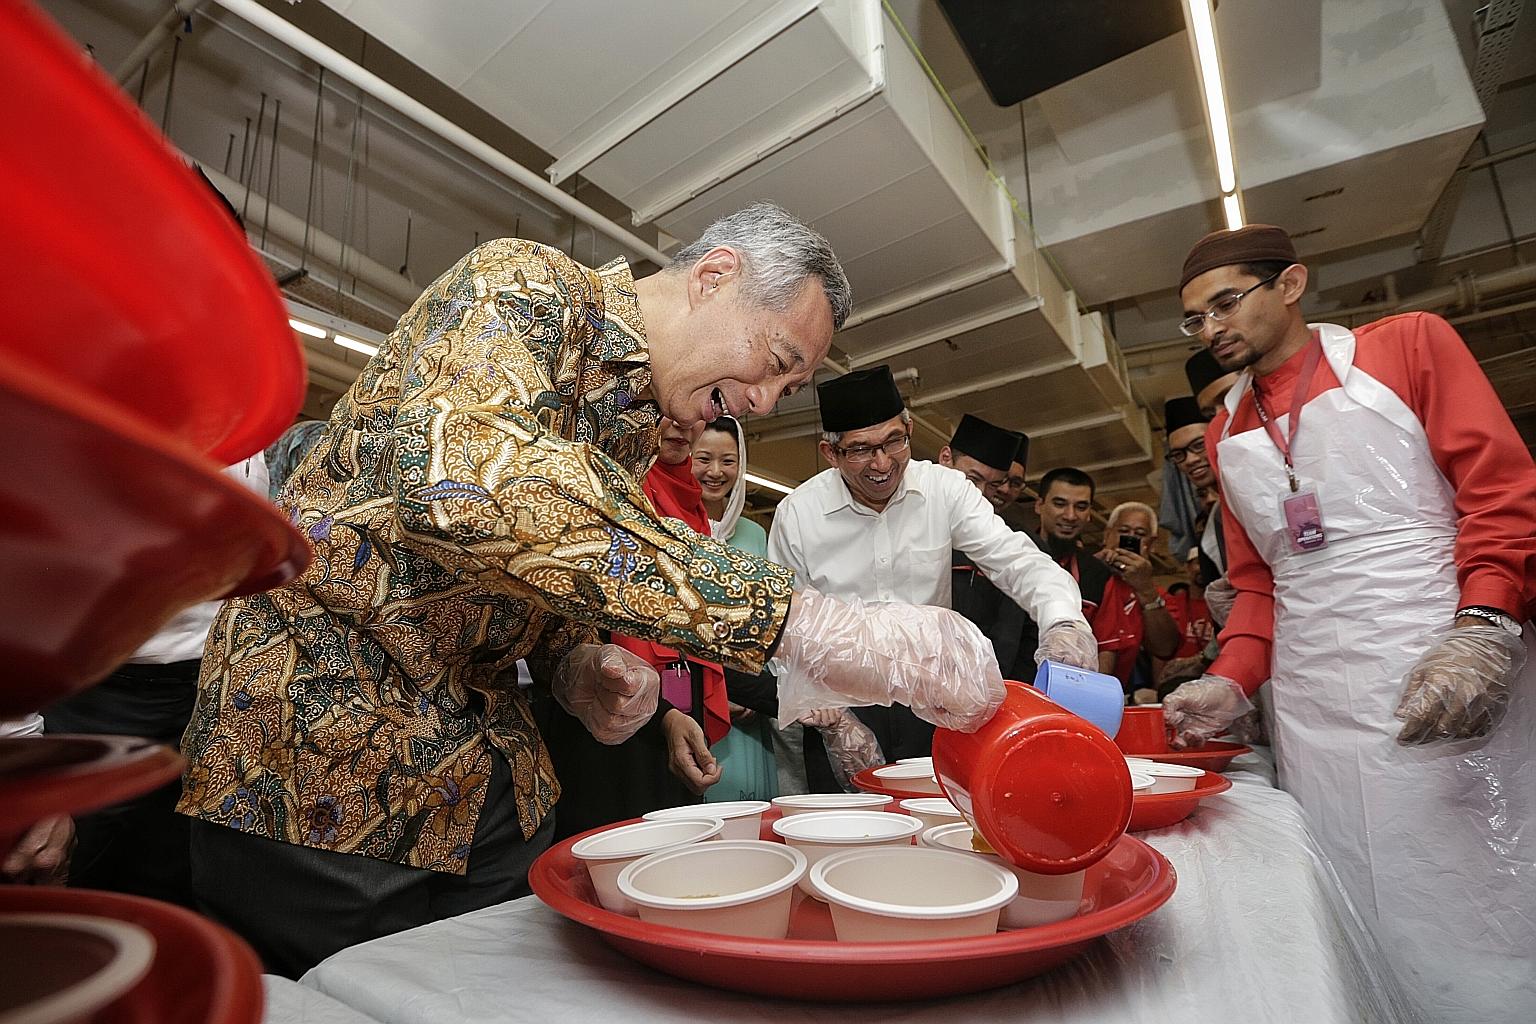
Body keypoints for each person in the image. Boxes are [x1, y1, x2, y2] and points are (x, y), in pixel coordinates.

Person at [176, 203, 1005, 977]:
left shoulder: (635, 426)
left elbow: (521, 572)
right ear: (715, 276)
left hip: (486, 777)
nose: (758, 404)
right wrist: (807, 625)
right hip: (326, 759)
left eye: (784, 393)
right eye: (776, 364)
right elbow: (460, 484)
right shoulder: (524, 285)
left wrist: (575, 661)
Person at [1162, 223, 1536, 1024]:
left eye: (1225, 303)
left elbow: (1499, 490)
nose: (1210, 329)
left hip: (1438, 655)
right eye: (1193, 320)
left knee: (1476, 874)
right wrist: (1231, 681)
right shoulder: (1226, 432)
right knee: (1356, 878)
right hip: (1314, 699)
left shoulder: (1405, 348)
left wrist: (1484, 623)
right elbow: (1260, 581)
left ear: (1290, 284)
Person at [767, 366, 1098, 761]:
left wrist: (1063, 621)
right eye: (860, 449)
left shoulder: (944, 489)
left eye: (894, 441)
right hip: (839, 706)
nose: (882, 463)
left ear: (909, 427)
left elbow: (1016, 559)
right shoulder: (798, 514)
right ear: (831, 453)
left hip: (934, 701)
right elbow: (784, 621)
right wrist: (830, 716)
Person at [37, 455, 267, 908]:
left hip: (211, 687)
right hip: (97, 689)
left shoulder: (249, 420)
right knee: (61, 876)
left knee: (161, 887)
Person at [538, 418, 725, 839]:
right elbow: (570, 638)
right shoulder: (598, 487)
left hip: (676, 709)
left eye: (699, 408)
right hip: (605, 717)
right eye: (660, 406)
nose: (683, 423)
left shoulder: (691, 505)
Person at [690, 416, 778, 803]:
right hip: (694, 701)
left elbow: (765, 626)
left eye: (728, 460)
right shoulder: (669, 528)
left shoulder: (755, 534)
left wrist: (757, 693)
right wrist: (712, 692)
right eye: (703, 458)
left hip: (752, 706)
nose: (715, 471)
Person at [944, 416, 1031, 677]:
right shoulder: (905, 518)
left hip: (976, 681)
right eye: (973, 479)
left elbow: (1010, 637)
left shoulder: (1009, 540)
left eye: (992, 484)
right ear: (946, 459)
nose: (981, 493)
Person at [1091, 501, 1180, 690]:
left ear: (1151, 544)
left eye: (1140, 535)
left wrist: (1146, 589)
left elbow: (1164, 648)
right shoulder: (1084, 572)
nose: (1130, 539)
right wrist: (1092, 570)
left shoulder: (1157, 594)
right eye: (1123, 531)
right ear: (1107, 535)